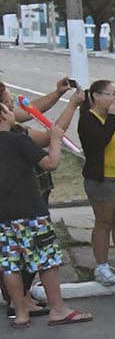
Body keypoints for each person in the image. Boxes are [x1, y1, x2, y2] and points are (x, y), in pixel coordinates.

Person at [1, 93, 91, 326]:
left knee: (10, 263)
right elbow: (51, 163)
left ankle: (20, 313)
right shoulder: (17, 140)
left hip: (3, 214)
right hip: (29, 210)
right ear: (3, 115)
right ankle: (58, 309)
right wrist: (56, 140)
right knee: (46, 259)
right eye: (9, 108)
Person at [76, 80, 115, 287]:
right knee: (104, 220)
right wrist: (113, 116)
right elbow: (98, 142)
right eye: (111, 94)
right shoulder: (89, 119)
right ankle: (102, 265)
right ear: (96, 96)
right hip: (103, 177)